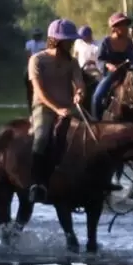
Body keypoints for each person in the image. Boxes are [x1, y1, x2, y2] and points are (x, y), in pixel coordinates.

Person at [29, 18, 87, 176]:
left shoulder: (72, 62)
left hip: (69, 107)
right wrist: (57, 109)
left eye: (71, 41)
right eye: (67, 41)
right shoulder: (37, 60)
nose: (70, 45)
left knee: (94, 132)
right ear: (55, 41)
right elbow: (39, 91)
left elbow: (79, 83)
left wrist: (79, 93)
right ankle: (36, 180)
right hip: (44, 107)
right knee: (41, 138)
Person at [92, 12, 133, 117]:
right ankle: (95, 122)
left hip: (128, 74)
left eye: (126, 25)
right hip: (111, 75)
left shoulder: (129, 42)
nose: (126, 28)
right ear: (115, 28)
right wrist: (109, 65)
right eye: (123, 25)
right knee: (97, 97)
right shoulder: (106, 42)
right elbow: (100, 60)